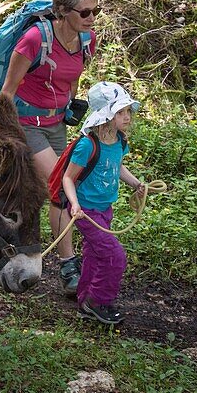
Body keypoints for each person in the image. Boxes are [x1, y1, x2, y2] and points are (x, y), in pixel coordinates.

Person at [0, 0, 99, 295]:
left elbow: (71, 78)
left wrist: (71, 105)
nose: (92, 17)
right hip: (26, 123)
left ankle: (19, 244)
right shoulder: (33, 39)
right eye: (85, 12)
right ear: (63, 11)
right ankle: (69, 265)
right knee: (59, 187)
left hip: (57, 124)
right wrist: (5, 137)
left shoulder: (87, 40)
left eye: (96, 10)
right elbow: (5, 93)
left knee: (56, 190)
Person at [61, 81, 146, 326]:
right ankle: (99, 301)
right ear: (106, 115)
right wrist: (75, 205)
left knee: (95, 254)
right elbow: (68, 177)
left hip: (104, 209)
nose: (127, 116)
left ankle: (85, 300)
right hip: (86, 212)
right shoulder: (88, 144)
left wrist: (136, 184)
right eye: (120, 112)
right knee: (114, 256)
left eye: (128, 111)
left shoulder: (119, 141)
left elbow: (117, 166)